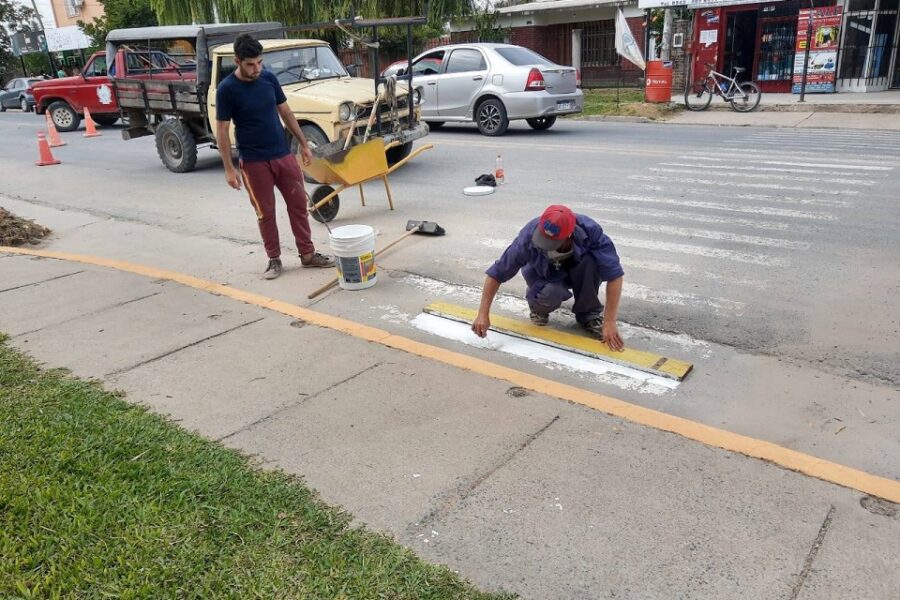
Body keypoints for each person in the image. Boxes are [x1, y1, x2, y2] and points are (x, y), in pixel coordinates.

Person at [215, 33, 334, 279]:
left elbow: (286, 112)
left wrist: (303, 143)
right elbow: (223, 131)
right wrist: (229, 168)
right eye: (250, 64)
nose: (256, 68)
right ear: (237, 61)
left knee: (298, 205)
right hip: (254, 161)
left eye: (259, 62)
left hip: (283, 155)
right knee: (265, 212)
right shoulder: (227, 89)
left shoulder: (269, 78)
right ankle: (274, 259)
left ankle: (308, 255)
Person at [471, 204, 626, 351]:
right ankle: (538, 307)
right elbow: (497, 273)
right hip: (544, 275)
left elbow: (615, 274)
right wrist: (482, 314)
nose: (546, 243)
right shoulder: (529, 235)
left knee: (591, 262)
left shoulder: (590, 231)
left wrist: (610, 322)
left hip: (576, 269)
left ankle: (588, 315)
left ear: (569, 234)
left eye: (553, 241)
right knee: (551, 293)